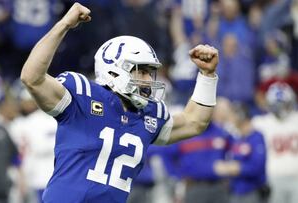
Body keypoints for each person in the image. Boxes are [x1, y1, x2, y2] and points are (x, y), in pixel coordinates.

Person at [20, 3, 219, 203]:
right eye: (141, 71)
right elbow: (32, 78)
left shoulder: (148, 115)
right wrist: (63, 25)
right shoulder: (82, 95)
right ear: (114, 70)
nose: (148, 80)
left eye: (150, 73)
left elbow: (195, 122)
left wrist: (207, 76)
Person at [252, 82, 298, 203]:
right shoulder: (260, 123)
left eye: (284, 104)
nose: (281, 108)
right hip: (273, 178)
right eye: (277, 105)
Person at [214, 103, 268, 203]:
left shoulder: (256, 137)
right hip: (233, 190)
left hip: (252, 190)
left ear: (241, 117)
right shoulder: (233, 138)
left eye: (232, 115)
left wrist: (238, 168)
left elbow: (257, 167)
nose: (229, 120)